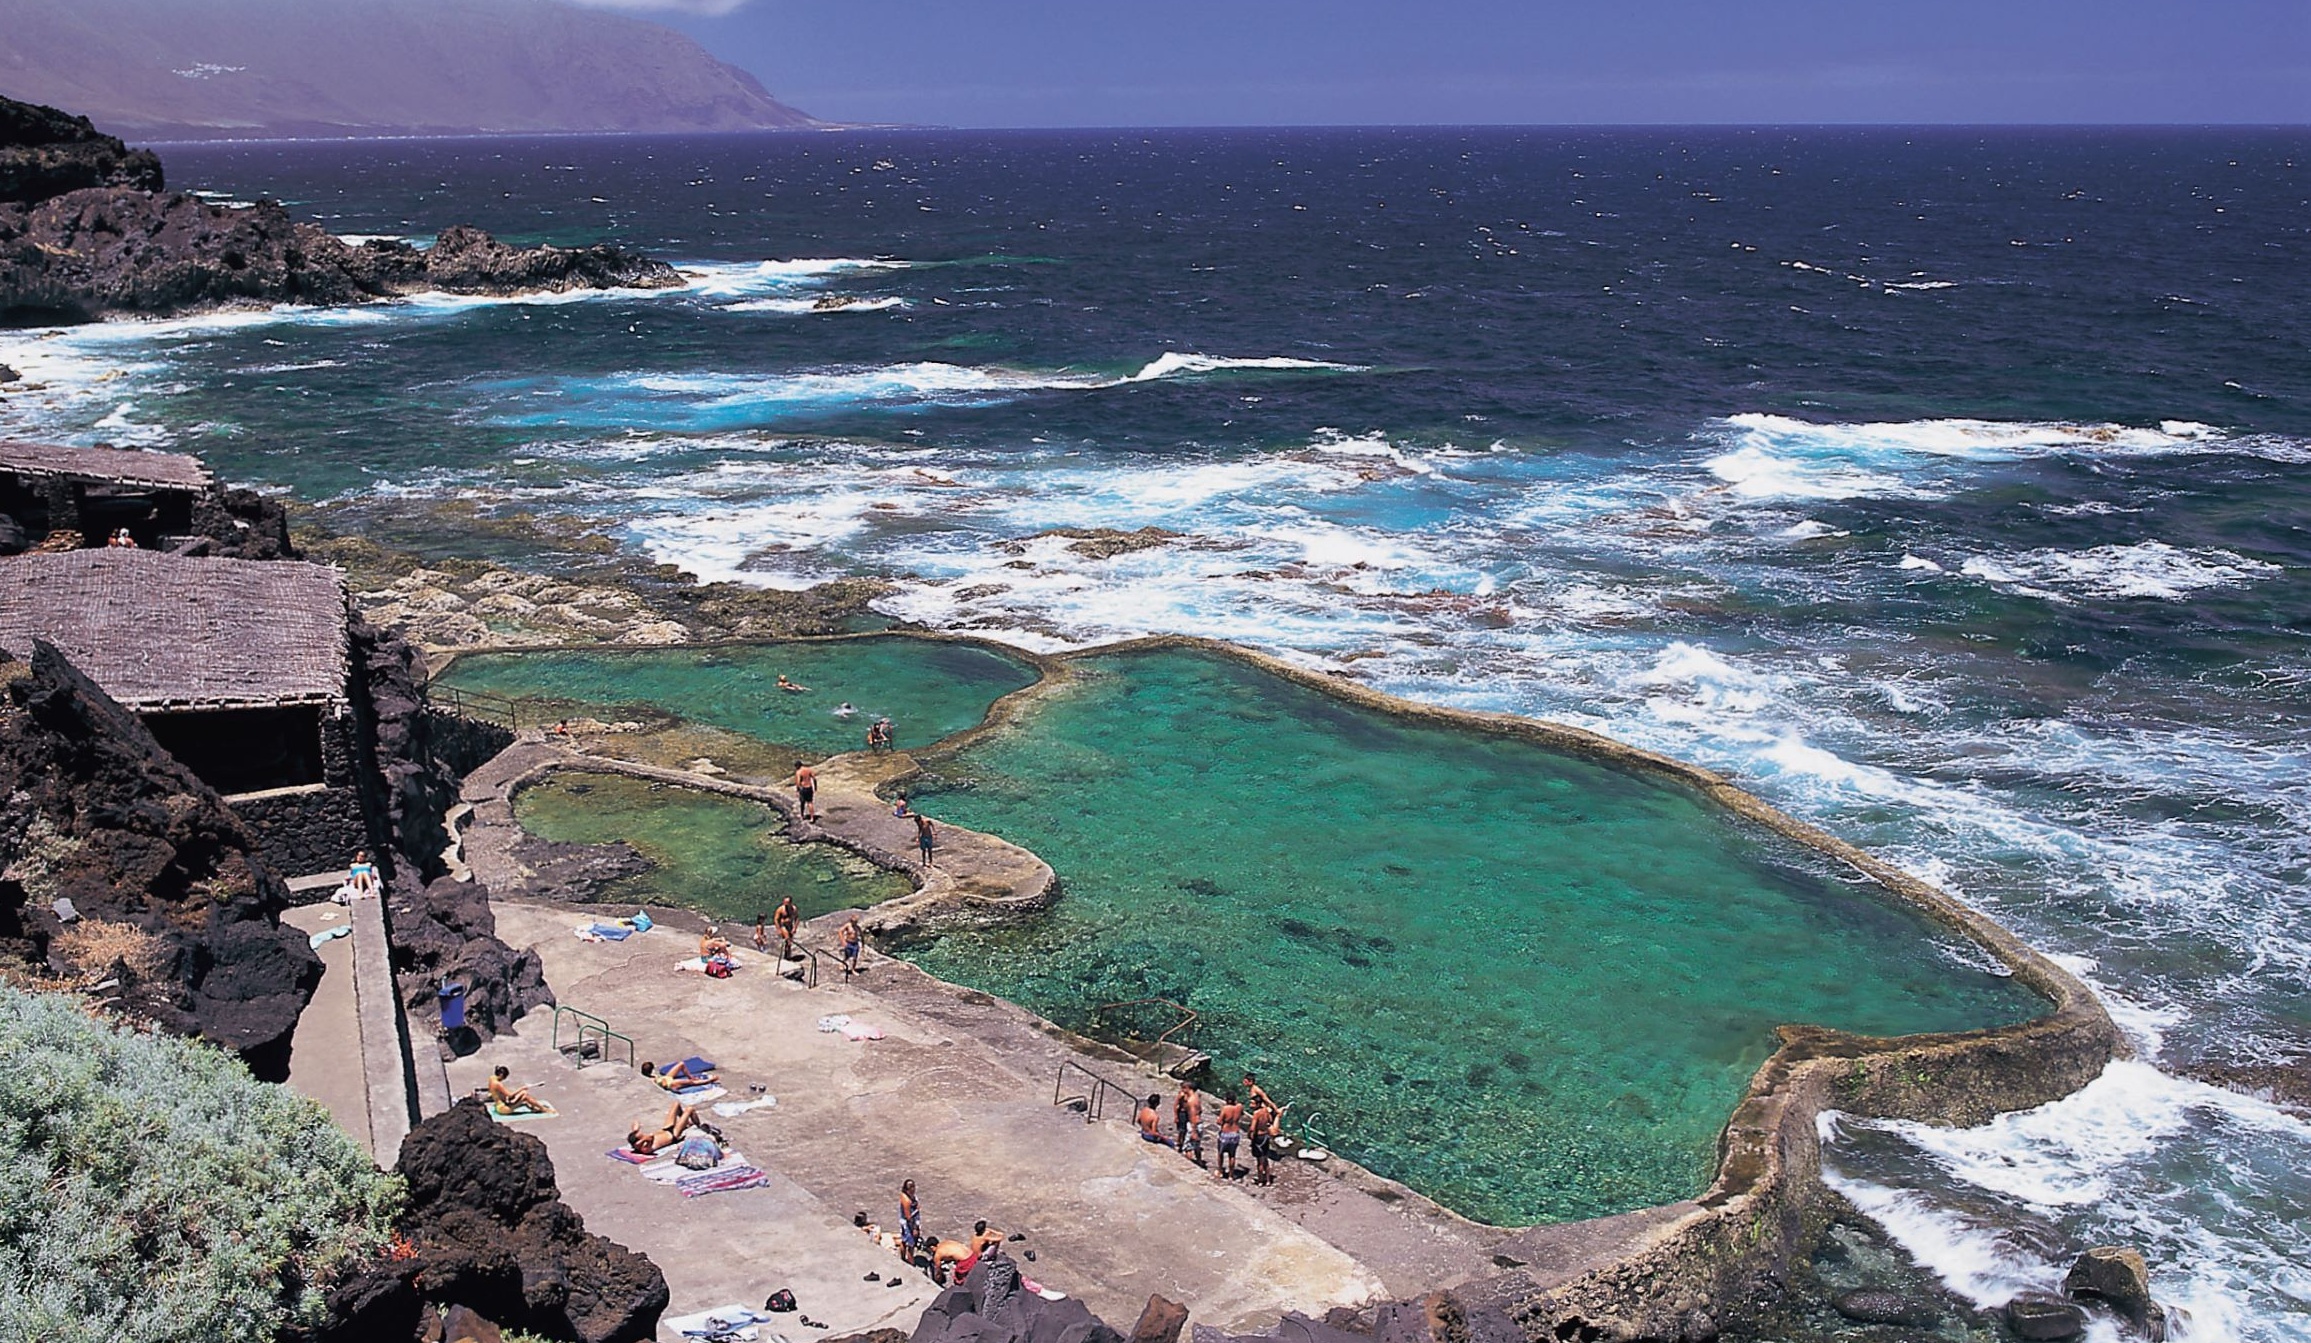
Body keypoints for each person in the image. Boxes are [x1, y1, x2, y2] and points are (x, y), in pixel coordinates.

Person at [627, 1099, 704, 1155]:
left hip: (666, 1129)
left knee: (676, 1104)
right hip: (673, 1135)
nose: (644, 1135)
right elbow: (650, 1137)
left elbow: (635, 1123)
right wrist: (639, 1142)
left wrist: (636, 1130)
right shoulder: (645, 1148)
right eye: (642, 1136)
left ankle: (686, 1122)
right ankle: (698, 1125)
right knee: (690, 1109)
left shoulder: (639, 1142)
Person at [1251, 1097, 1288, 1186]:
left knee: (1259, 1161)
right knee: (1265, 1160)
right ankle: (1267, 1180)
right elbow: (1270, 1120)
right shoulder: (1265, 1111)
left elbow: (1252, 1128)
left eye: (1252, 1103)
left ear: (1257, 1104)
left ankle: (1260, 1181)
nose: (1250, 1105)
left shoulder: (1256, 1113)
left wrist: (1250, 1135)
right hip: (1265, 1137)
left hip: (1258, 1138)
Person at [1215, 1091, 1245, 1180]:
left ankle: (1220, 1171)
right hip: (1235, 1133)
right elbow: (1242, 1114)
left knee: (1220, 1154)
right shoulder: (1240, 1107)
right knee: (1232, 1155)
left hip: (1225, 1133)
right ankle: (1231, 1175)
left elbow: (1219, 1122)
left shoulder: (1225, 1109)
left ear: (1227, 1100)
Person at [1175, 1081, 1205, 1166]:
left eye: (1184, 1088)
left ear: (1189, 1088)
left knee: (1188, 1148)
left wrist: (1193, 1131)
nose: (1183, 1090)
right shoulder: (1196, 1097)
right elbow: (1200, 1111)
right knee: (1197, 1146)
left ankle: (1189, 1165)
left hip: (1193, 1126)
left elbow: (1193, 1116)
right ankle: (1199, 1161)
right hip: (1199, 1123)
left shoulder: (1191, 1101)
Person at [642, 1059, 717, 1089]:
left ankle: (690, 1076)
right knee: (690, 1082)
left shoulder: (652, 1075)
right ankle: (709, 1080)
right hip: (670, 1084)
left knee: (681, 1064)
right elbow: (663, 1085)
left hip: (666, 1078)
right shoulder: (650, 1080)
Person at [897, 1180, 923, 1263]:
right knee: (910, 1244)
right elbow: (908, 1217)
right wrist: (914, 1228)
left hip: (910, 1221)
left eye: (913, 1187)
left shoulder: (911, 1196)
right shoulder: (906, 1200)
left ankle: (904, 1258)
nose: (913, 1189)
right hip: (908, 1224)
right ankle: (910, 1262)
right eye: (910, 1188)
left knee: (905, 1241)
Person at [838, 913, 866, 979]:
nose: (855, 923)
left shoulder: (857, 927)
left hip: (855, 944)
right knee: (847, 956)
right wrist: (843, 941)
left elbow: (862, 935)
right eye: (854, 921)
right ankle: (842, 963)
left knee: (854, 958)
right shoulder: (848, 926)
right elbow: (840, 931)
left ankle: (853, 969)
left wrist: (863, 945)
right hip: (849, 943)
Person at [773, 895, 800, 961]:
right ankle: (787, 956)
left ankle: (787, 955)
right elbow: (776, 919)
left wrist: (795, 928)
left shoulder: (794, 909)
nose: (786, 904)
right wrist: (778, 929)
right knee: (788, 940)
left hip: (790, 926)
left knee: (789, 943)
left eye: (787, 903)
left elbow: (797, 918)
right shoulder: (780, 909)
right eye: (785, 902)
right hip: (783, 926)